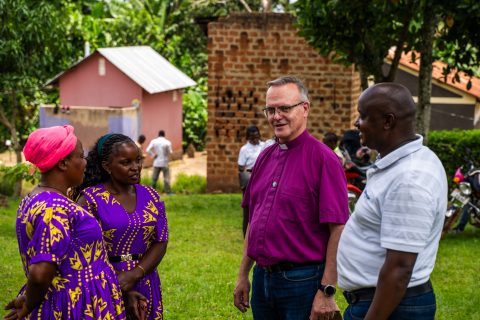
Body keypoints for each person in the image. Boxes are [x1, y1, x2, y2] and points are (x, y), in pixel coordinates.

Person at [233, 76, 349, 319]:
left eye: (284, 108)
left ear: (304, 108)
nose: (276, 116)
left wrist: (327, 290)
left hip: (302, 282)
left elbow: (338, 229)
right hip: (263, 279)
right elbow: (254, 221)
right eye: (270, 109)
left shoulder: (324, 160)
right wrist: (243, 274)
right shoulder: (264, 157)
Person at [337, 83, 448, 320]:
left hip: (390, 307)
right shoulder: (402, 164)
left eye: (363, 116)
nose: (357, 123)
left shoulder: (409, 178)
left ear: (388, 121)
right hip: (383, 302)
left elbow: (399, 269)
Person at [5, 125, 128, 319]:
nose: (86, 163)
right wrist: (29, 302)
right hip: (73, 305)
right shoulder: (54, 209)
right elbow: (40, 273)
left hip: (83, 298)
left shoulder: (38, 198)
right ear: (63, 163)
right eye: (81, 156)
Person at [73, 133, 169, 320]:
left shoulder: (151, 195)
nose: (135, 168)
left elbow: (161, 240)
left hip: (145, 277)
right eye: (126, 163)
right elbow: (85, 251)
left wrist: (135, 274)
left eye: (138, 160)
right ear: (106, 166)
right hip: (103, 280)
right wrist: (119, 280)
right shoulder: (90, 200)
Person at [238, 125, 265, 237]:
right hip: (250, 180)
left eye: (256, 136)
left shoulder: (264, 146)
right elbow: (240, 167)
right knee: (248, 209)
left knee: (262, 208)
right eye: (252, 137)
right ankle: (246, 236)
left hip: (263, 179)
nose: (255, 139)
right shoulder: (244, 149)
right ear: (247, 137)